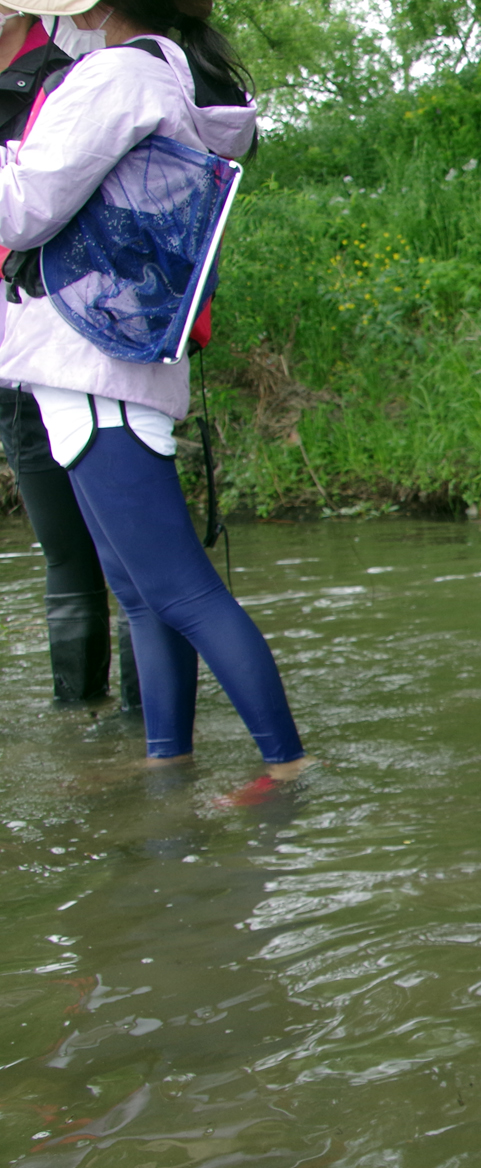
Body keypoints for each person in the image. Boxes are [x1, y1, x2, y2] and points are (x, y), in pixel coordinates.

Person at [0, 0, 310, 775]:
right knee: (142, 595)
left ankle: (289, 767)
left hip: (94, 363)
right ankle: (166, 763)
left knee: (181, 592)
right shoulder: (165, 68)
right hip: (111, 358)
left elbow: (23, 209)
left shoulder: (115, 74)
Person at [0, 9, 139, 706]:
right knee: (64, 555)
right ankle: (81, 727)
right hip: (13, 353)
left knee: (131, 559)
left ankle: (151, 738)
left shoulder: (68, 81)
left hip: (79, 340)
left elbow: (43, 215)